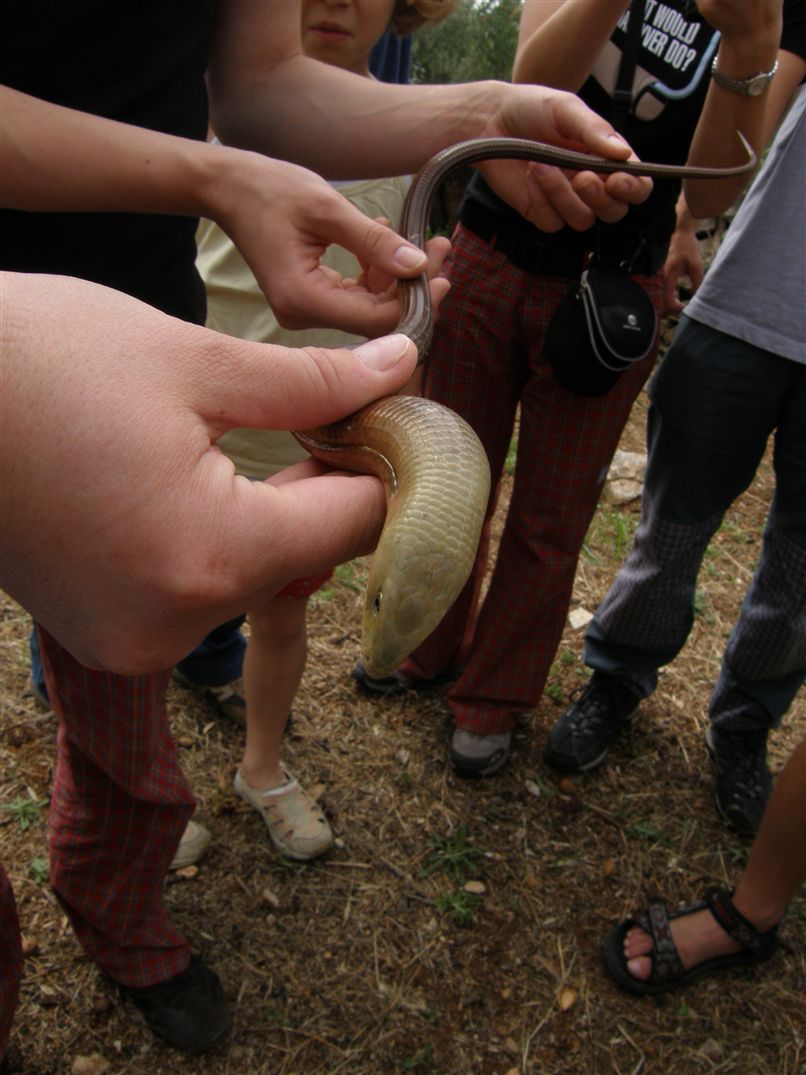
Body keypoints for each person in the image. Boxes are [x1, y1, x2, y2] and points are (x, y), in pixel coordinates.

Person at [1, 0, 651, 1058]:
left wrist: (489, 112)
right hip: (55, 357)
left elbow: (262, 84)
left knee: (121, 719)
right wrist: (213, 176)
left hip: (145, 364)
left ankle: (123, 925)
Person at [352, 0, 790, 780]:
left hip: (612, 295)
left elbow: (714, 191)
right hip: (491, 251)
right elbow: (530, 83)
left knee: (551, 520)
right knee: (448, 485)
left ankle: (493, 698)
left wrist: (753, 38)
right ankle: (423, 647)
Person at [193, 0, 458, 862]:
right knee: (156, 609)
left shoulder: (407, 145)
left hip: (310, 449)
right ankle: (139, 788)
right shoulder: (213, 112)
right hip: (194, 422)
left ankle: (261, 767)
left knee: (279, 619)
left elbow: (406, 308)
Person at [546, 1, 806, 840]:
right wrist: (687, 219)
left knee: (801, 573)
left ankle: (745, 726)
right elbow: (739, 143)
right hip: (745, 307)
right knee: (674, 529)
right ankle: (618, 676)